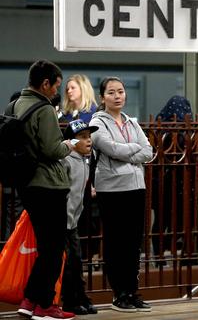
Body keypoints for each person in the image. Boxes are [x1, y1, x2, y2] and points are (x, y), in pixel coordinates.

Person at [13, 60, 76, 320]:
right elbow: (53, 149)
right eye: (55, 86)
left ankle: (29, 300)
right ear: (45, 83)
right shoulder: (45, 109)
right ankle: (45, 306)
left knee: (46, 247)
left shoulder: (16, 104)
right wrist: (70, 145)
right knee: (53, 249)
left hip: (26, 184)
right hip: (49, 185)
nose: (56, 92)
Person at [90, 76, 153, 312]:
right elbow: (110, 148)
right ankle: (119, 294)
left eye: (121, 92)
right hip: (112, 189)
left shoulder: (131, 121)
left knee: (133, 243)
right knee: (116, 242)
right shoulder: (97, 122)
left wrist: (130, 152)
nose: (117, 96)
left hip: (136, 187)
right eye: (111, 92)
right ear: (102, 97)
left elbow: (148, 150)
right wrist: (134, 151)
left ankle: (131, 290)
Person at [61, 119, 99, 316]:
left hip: (73, 221)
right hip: (62, 221)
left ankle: (80, 297)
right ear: (72, 142)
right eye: (83, 137)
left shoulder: (85, 159)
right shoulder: (66, 160)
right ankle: (69, 301)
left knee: (76, 261)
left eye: (89, 136)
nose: (88, 141)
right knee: (68, 263)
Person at [152, 96, 193, 262]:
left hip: (171, 183)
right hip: (170, 183)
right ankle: (166, 254)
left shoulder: (160, 129)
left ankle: (162, 255)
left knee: (167, 221)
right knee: (168, 220)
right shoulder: (165, 131)